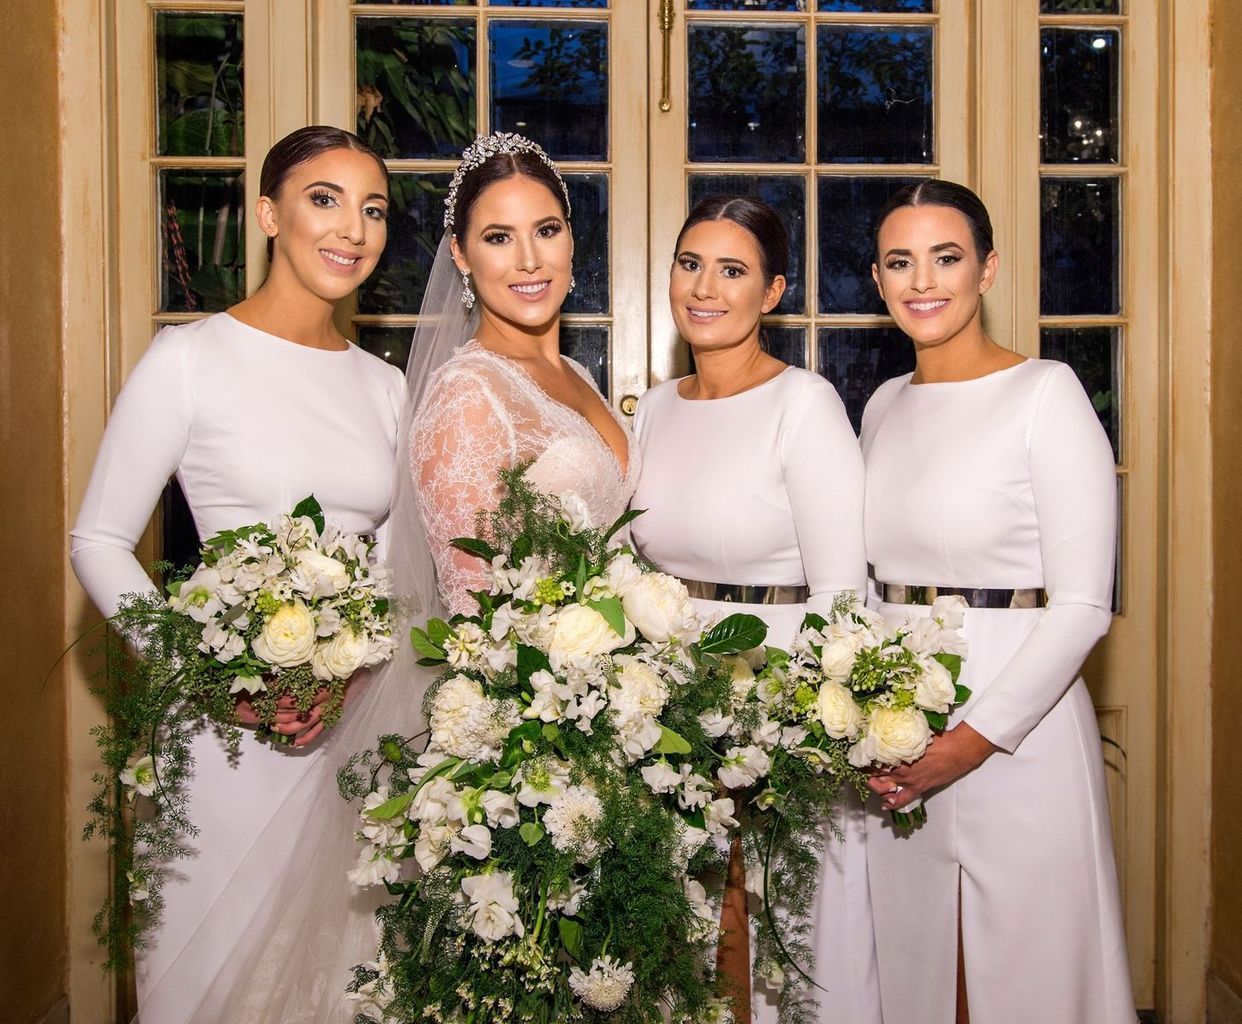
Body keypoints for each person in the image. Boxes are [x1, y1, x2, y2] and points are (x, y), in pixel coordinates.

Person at [70, 126, 405, 1022]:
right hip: (224, 737)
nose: (353, 229)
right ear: (268, 215)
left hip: (349, 731)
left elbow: (396, 563)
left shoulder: (385, 387)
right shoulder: (189, 360)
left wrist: (362, 672)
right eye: (325, 200)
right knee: (216, 970)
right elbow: (98, 540)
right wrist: (207, 677)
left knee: (341, 972)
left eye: (373, 209)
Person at [860, 179, 1137, 1023]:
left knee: (1028, 974)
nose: (922, 281)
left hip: (1021, 735)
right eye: (900, 262)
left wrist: (970, 742)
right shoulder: (882, 406)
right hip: (897, 737)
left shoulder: (1046, 393)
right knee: (915, 968)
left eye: (946, 258)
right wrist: (864, 721)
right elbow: (867, 584)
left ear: (988, 269)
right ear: (877, 280)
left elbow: (1084, 604)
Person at [629, 195, 882, 1024]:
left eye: (732, 270)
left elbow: (841, 595)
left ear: (771, 293)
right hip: (662, 714)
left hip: (776, 713)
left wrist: (786, 724)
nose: (704, 288)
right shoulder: (653, 410)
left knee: (771, 936)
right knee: (681, 939)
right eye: (690, 264)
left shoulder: (803, 403)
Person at [410, 132, 636, 615]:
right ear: (461, 254)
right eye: (499, 238)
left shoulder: (576, 373)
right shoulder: (467, 395)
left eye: (546, 230)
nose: (530, 260)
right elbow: (473, 611)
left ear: (570, 237)